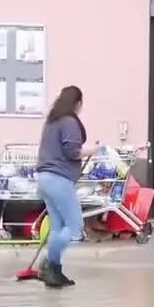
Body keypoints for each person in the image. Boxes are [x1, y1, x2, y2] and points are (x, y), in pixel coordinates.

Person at [35, 86, 100, 289]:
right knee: (74, 226)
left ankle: (55, 271)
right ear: (78, 103)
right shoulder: (69, 121)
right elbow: (72, 151)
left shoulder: (52, 122)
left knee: (58, 227)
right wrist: (95, 149)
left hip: (45, 178)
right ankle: (48, 263)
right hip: (58, 180)